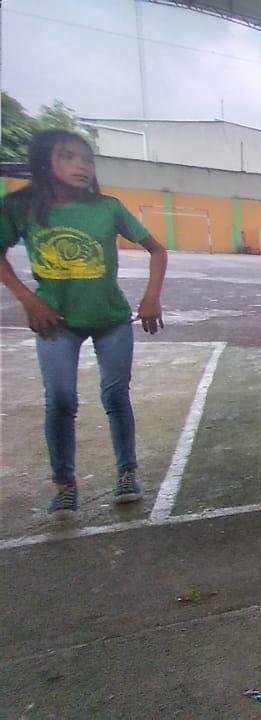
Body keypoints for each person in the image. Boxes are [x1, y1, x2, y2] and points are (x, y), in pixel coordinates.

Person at [0, 129, 168, 517]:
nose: (81, 166)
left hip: (110, 318)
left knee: (116, 395)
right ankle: (65, 484)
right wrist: (28, 299)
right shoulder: (20, 207)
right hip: (55, 320)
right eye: (68, 156)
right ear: (45, 162)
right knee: (60, 399)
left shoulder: (107, 208)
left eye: (87, 159)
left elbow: (156, 250)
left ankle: (127, 472)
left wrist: (151, 296)